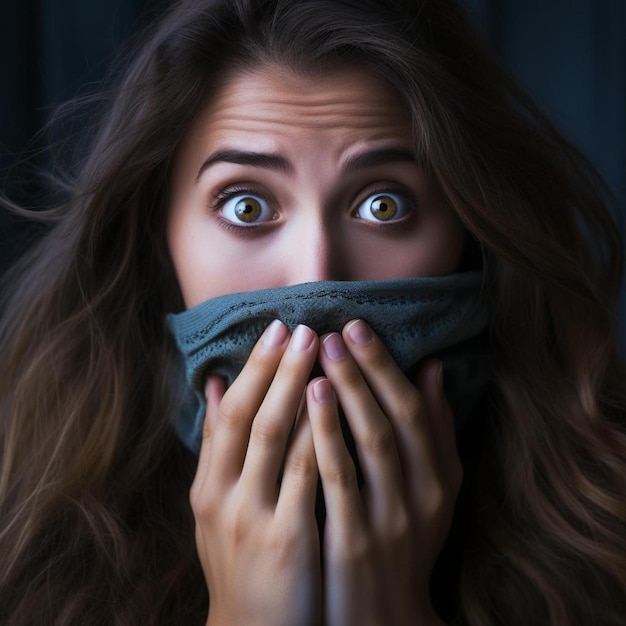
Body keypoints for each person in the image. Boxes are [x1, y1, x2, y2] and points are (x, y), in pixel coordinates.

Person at [1, 0, 625, 624]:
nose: (317, 279)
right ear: (158, 239)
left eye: (383, 205)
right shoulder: (25, 548)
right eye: (246, 206)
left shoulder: (605, 530)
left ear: (472, 233)